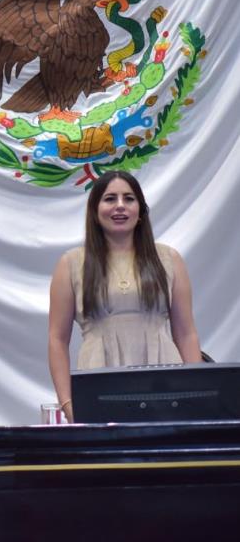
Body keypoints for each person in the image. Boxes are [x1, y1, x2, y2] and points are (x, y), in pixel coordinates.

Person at [48, 171, 200, 422]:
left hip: (165, 384)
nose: (120, 206)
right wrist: (67, 403)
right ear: (95, 210)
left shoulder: (169, 259)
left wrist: (195, 393)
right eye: (110, 199)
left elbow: (186, 333)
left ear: (140, 210)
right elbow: (57, 339)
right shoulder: (71, 264)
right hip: (98, 383)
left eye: (128, 198)